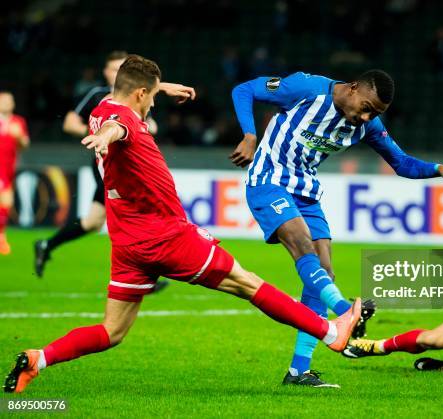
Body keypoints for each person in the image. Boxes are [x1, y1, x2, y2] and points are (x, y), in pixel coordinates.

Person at [3, 55, 362, 394]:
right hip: (165, 235)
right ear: (140, 93)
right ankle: (332, 332)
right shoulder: (120, 121)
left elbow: (124, 103)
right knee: (249, 284)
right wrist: (108, 135)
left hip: (127, 242)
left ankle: (39, 359)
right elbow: (120, 126)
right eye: (151, 97)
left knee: (111, 331)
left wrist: (161, 87)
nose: (153, 105)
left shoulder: (101, 108)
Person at [230, 70, 443, 387]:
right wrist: (250, 135)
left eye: (374, 113)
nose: (366, 116)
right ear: (352, 89)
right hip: (268, 181)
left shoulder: (368, 125)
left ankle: (298, 371)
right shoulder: (306, 88)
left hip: (306, 191)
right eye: (365, 107)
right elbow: (244, 90)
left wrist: (439, 170)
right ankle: (344, 310)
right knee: (302, 245)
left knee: (324, 273)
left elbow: (401, 163)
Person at [34, 51, 160, 289]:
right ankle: (139, 276)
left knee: (93, 222)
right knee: (132, 215)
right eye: (113, 69)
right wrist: (99, 136)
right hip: (107, 163)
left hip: (128, 164)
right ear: (105, 72)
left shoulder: (136, 96)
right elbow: (69, 123)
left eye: (121, 68)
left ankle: (46, 245)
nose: (117, 73)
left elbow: (150, 125)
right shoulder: (97, 95)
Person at [0, 91, 29, 255]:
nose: (7, 103)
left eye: (10, 101)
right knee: (5, 200)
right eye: (4, 101)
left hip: (9, 168)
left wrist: (19, 137)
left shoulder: (18, 121)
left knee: (6, 204)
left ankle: (1, 236)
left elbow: (25, 144)